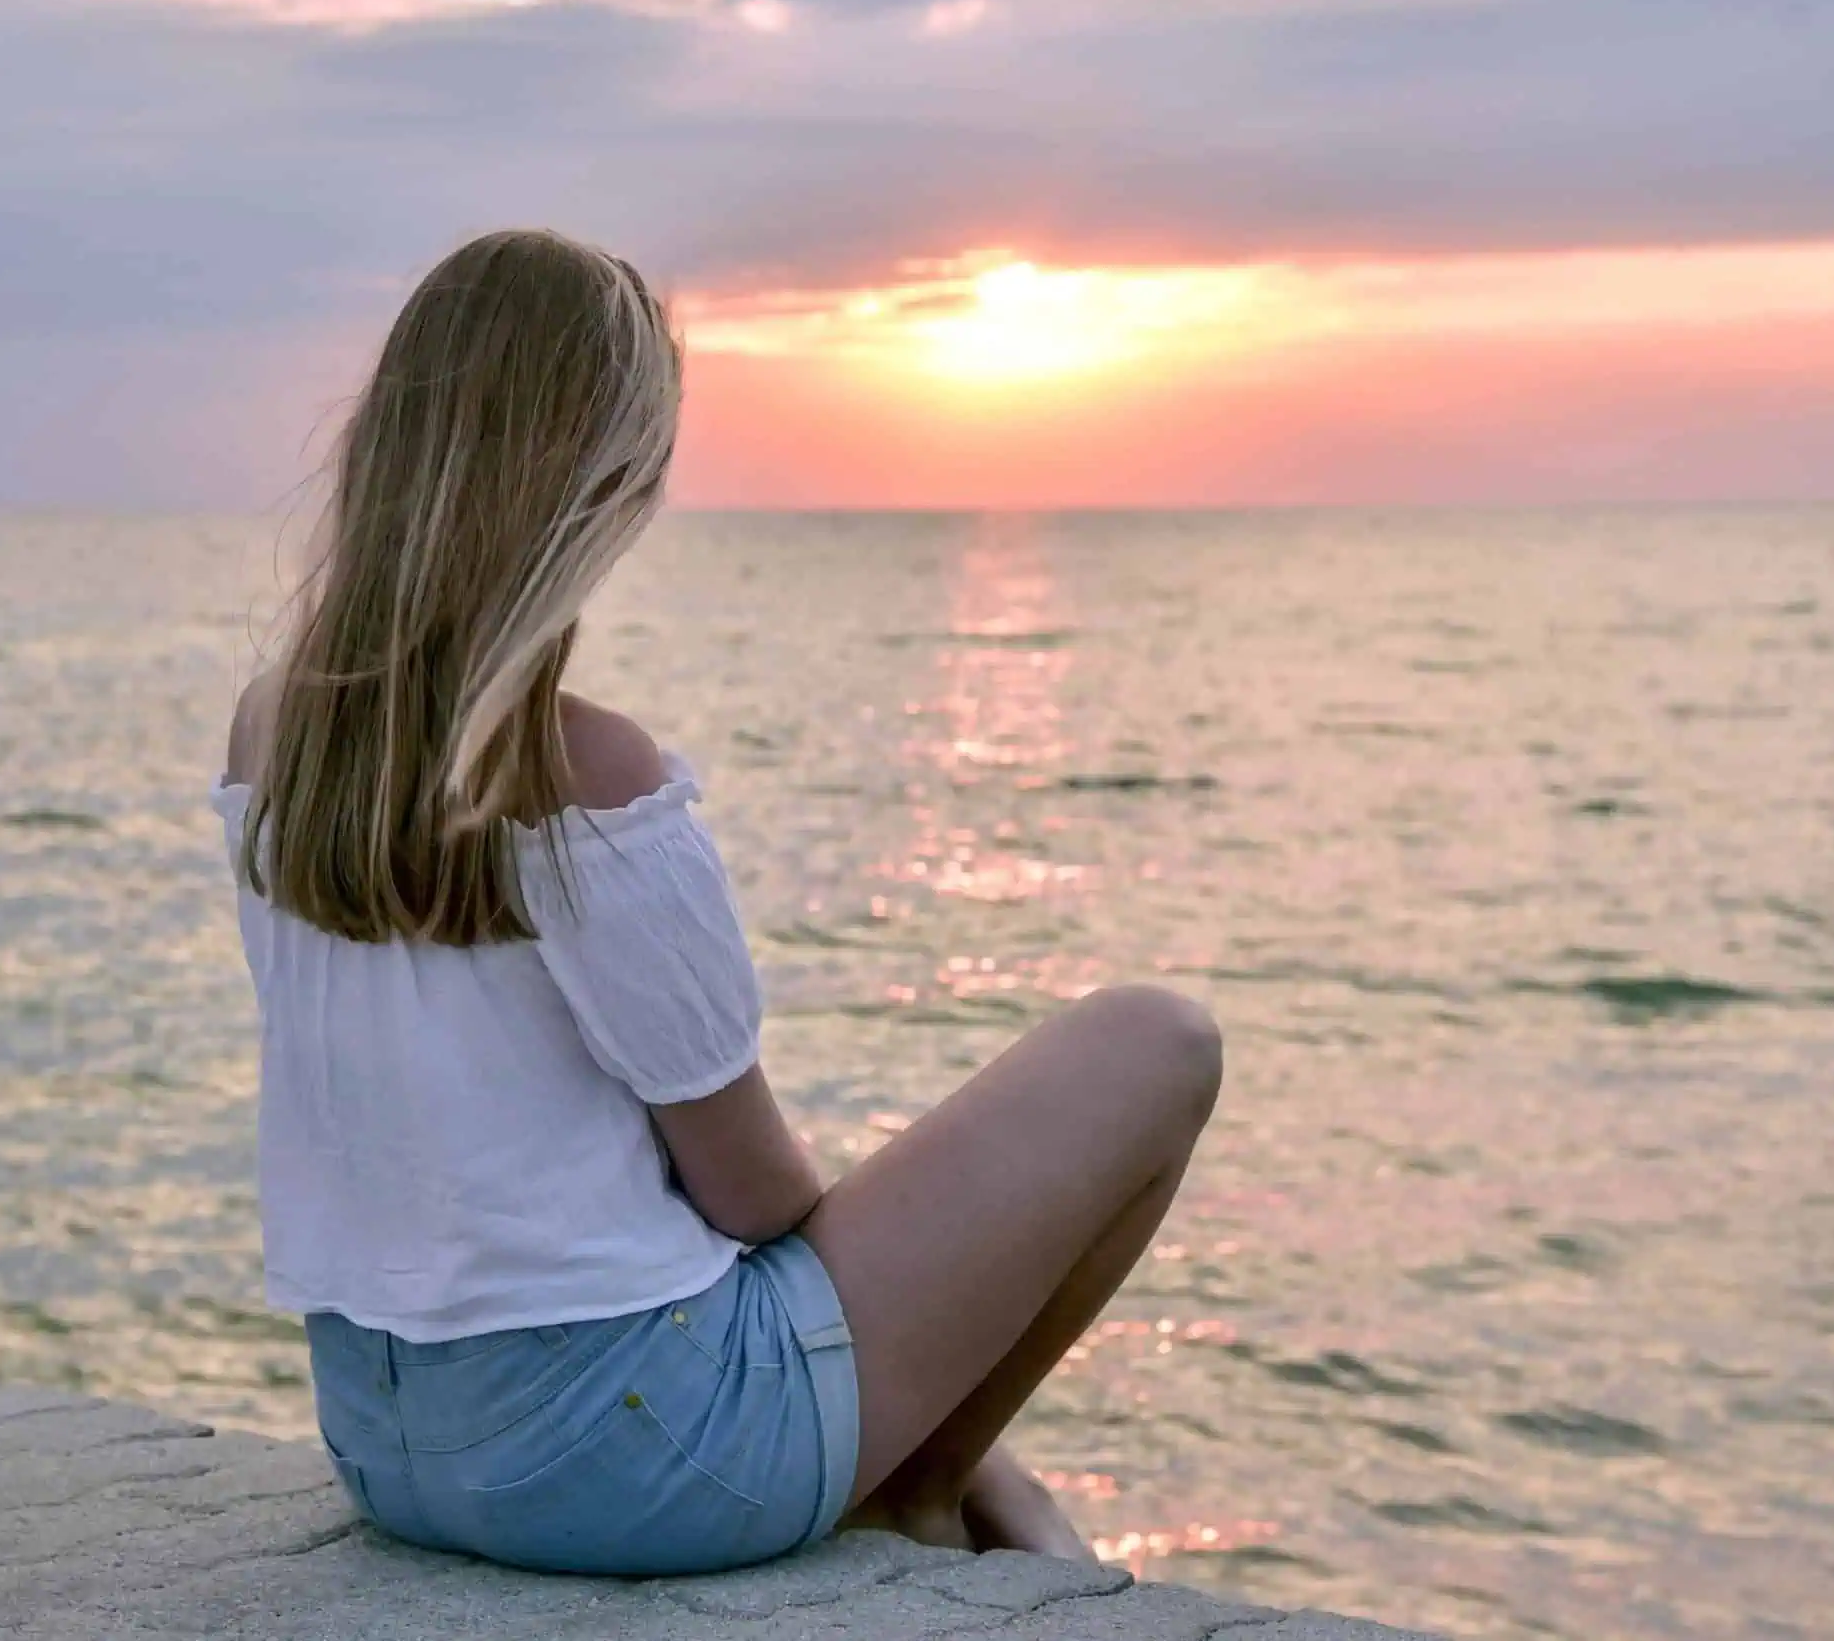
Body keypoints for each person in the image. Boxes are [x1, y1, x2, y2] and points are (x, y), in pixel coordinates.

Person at [213, 229, 1224, 1578]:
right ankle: (929, 1488)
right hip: (630, 1465)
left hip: (394, 1450)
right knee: (1158, 1042)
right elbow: (751, 1195)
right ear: (610, 481)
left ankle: (947, 1477)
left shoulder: (269, 736)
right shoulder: (589, 774)